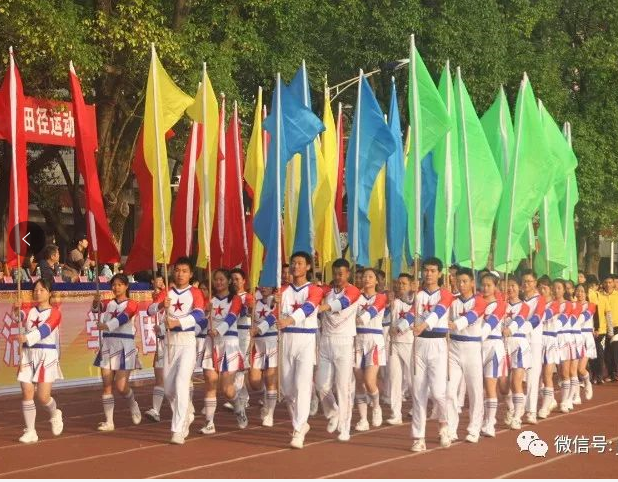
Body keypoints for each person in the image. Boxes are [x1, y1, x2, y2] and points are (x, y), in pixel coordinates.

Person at [147, 257, 205, 445]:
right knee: (169, 389)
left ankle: (178, 430)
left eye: (184, 271)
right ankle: (186, 412)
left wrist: (178, 322)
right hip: (170, 343)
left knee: (181, 384)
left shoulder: (195, 292)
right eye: (177, 270)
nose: (180, 274)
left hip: (187, 342)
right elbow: (149, 310)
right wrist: (160, 305)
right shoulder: (167, 292)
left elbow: (199, 314)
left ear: (191, 274)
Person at [275, 251, 324, 449]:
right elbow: (273, 315)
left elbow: (309, 307)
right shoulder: (282, 291)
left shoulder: (314, 289)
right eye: (293, 263)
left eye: (300, 263)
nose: (295, 266)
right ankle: (301, 424)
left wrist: (289, 319)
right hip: (286, 340)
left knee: (302, 385)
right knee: (287, 390)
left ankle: (298, 429)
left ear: (308, 267)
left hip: (306, 339)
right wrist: (259, 327)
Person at [410, 257, 455, 452]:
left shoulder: (445, 294)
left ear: (439, 273)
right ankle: (418, 437)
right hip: (419, 345)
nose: (428, 274)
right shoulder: (418, 295)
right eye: (426, 270)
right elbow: (411, 314)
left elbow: (438, 312)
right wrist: (401, 326)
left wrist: (423, 325)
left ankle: (444, 424)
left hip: (438, 344)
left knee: (438, 392)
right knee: (418, 393)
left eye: (432, 271)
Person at [316, 258, 361, 442]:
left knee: (343, 386)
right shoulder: (326, 290)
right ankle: (333, 411)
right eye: (335, 273)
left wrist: (323, 307)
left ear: (348, 274)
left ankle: (345, 426)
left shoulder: (354, 291)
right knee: (321, 385)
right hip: (326, 341)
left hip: (344, 342)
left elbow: (343, 302)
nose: (337, 277)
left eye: (341, 274)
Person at [15, 278, 64, 443]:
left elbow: (45, 329)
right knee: (27, 392)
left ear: (49, 293)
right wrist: (16, 309)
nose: (38, 293)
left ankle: (55, 413)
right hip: (28, 354)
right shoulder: (29, 310)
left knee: (43, 397)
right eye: (35, 290)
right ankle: (31, 431)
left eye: (42, 290)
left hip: (46, 354)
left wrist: (26, 338)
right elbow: (19, 317)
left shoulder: (55, 313)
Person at [92, 274, 142, 431]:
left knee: (121, 386)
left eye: (120, 284)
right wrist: (95, 301)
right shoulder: (108, 303)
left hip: (124, 345)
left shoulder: (132, 303)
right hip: (108, 345)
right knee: (107, 385)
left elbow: (124, 317)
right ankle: (109, 422)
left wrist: (106, 326)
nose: (116, 287)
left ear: (126, 286)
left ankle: (132, 403)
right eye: (114, 285)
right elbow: (96, 309)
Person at [200, 269, 246, 434]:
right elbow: (202, 321)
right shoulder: (209, 300)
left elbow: (232, 316)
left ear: (228, 281)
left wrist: (219, 330)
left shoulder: (235, 299)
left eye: (221, 279)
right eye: (216, 279)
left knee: (227, 389)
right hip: (211, 343)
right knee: (210, 381)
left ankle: (239, 407)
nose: (218, 282)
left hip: (229, 343)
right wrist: (205, 313)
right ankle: (209, 423)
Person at [445, 267, 487, 443]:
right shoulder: (452, 300)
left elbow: (472, 316)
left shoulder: (480, 301)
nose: (461, 285)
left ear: (472, 283)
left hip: (472, 349)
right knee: (449, 390)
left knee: (475, 391)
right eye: (458, 281)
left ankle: (474, 429)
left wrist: (455, 324)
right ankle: (450, 428)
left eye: (464, 281)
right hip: (453, 348)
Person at [478, 272, 507, 437]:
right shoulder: (477, 302)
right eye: (483, 285)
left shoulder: (500, 305)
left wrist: (477, 338)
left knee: (490, 386)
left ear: (495, 286)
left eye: (489, 285)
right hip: (477, 347)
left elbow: (490, 324)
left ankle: (490, 423)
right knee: (479, 388)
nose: (485, 288)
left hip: (493, 346)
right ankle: (483, 419)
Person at [386, 273, 416, 426]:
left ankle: (418, 407)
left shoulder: (417, 302)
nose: (401, 286)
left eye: (404, 283)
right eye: (399, 283)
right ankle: (396, 413)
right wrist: (389, 304)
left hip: (410, 344)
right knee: (394, 379)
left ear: (411, 285)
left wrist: (398, 328)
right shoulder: (395, 301)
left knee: (412, 380)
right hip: (394, 344)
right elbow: (385, 316)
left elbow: (413, 318)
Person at [538, 279, 570, 419]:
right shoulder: (538, 303)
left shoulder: (555, 305)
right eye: (540, 288)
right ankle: (550, 400)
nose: (541, 291)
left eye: (544, 288)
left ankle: (551, 405)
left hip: (551, 340)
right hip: (538, 341)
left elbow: (548, 317)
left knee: (548, 374)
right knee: (539, 376)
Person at [502, 276, 531, 430]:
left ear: (519, 287)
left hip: (519, 344)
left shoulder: (524, 306)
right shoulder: (501, 305)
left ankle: (518, 416)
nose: (510, 288)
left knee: (516, 382)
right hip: (503, 345)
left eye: (513, 285)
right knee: (503, 386)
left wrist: (510, 329)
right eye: (508, 285)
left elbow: (520, 320)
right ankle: (511, 407)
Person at [248, 286, 278, 427]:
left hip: (272, 342)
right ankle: (266, 395)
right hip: (258, 344)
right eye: (262, 285)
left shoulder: (274, 300)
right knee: (254, 382)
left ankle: (270, 413)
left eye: (267, 285)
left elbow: (273, 305)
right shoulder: (255, 301)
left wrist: (276, 300)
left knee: (270, 379)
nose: (264, 288)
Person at [521, 269, 547, 425]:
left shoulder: (540, 300)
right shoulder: (519, 299)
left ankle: (531, 411)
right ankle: (516, 409)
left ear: (535, 283)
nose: (526, 284)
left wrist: (520, 328)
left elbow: (537, 318)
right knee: (516, 378)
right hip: (518, 342)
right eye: (524, 281)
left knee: (532, 377)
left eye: (529, 281)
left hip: (534, 342)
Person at [230, 268, 255, 412]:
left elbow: (252, 312)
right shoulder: (230, 297)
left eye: (237, 279)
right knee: (234, 366)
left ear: (244, 281)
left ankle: (237, 397)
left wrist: (250, 307)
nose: (234, 282)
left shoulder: (248, 297)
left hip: (244, 333)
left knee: (240, 366)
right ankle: (243, 397)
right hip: (232, 333)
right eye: (232, 279)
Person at [575, 283, 596, 400]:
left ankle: (588, 382)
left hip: (586, 337)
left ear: (586, 293)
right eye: (578, 291)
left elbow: (584, 317)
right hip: (574, 337)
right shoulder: (572, 305)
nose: (579, 293)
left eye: (582, 291)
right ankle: (576, 395)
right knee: (572, 370)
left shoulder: (591, 305)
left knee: (580, 368)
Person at [598, 275, 618, 382]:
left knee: (615, 350)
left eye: (610, 282)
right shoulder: (599, 295)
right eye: (606, 282)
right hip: (603, 327)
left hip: (616, 326)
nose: (608, 284)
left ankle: (615, 372)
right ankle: (611, 373)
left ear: (614, 283)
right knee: (607, 352)